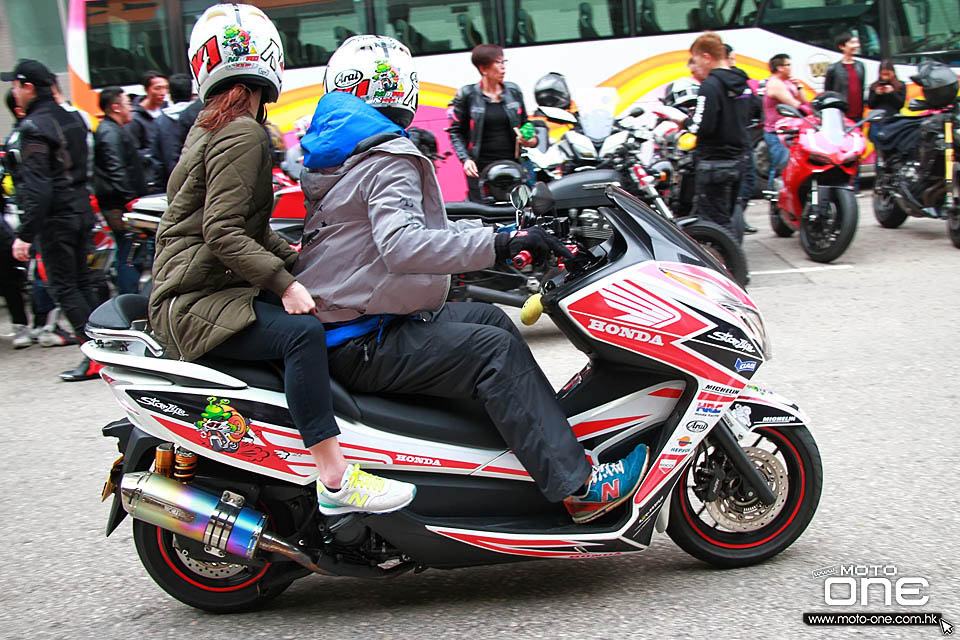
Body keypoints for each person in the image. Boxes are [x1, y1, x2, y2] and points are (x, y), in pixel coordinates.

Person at [296, 34, 650, 524]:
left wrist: (505, 232)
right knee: (494, 351)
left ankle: (527, 450)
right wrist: (501, 244)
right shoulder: (386, 155)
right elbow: (404, 245)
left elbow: (416, 232)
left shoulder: (340, 151)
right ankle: (580, 487)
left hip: (355, 321)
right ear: (396, 86)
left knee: (489, 318)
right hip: (363, 336)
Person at [148, 4, 414, 516]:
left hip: (193, 288)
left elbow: (246, 228)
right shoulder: (244, 131)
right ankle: (335, 478)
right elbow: (222, 232)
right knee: (303, 333)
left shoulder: (211, 125)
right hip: (196, 299)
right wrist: (288, 284)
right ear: (269, 58)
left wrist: (294, 259)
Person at [2, 59, 101, 380]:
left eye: (15, 86)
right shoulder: (73, 118)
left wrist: (26, 234)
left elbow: (38, 187)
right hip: (81, 210)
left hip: (57, 219)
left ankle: (95, 354)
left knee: (65, 287)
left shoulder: (32, 127)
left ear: (27, 86)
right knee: (82, 282)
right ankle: (105, 349)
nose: (14, 93)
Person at [677, 33, 751, 244]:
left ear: (707, 57)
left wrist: (684, 122)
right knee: (726, 216)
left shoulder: (710, 85)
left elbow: (702, 126)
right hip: (738, 159)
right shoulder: (743, 84)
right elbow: (752, 114)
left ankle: (731, 270)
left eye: (697, 59)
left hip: (714, 162)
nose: (696, 65)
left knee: (714, 224)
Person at [448, 43, 538, 202]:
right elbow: (455, 131)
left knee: (518, 210)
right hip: (480, 168)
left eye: (504, 62)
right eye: (498, 63)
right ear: (483, 69)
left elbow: (525, 124)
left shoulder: (513, 91)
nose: (503, 68)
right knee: (483, 214)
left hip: (513, 166)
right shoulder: (467, 95)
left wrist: (531, 140)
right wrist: (466, 159)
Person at [94, 87, 146, 294]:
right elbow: (117, 170)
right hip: (120, 205)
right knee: (129, 253)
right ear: (115, 107)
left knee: (129, 252)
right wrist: (131, 201)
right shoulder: (110, 132)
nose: (131, 109)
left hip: (120, 203)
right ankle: (128, 298)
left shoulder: (111, 130)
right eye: (127, 104)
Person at [725, 43, 759, 234]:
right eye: (732, 58)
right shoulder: (718, 83)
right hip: (737, 140)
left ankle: (737, 218)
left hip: (740, 139)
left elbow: (755, 105)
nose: (734, 62)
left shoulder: (738, 80)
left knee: (747, 180)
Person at [762, 53, 806, 192]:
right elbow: (794, 104)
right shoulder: (775, 84)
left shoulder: (787, 81)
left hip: (790, 130)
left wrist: (798, 86)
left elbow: (803, 100)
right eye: (788, 65)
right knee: (780, 165)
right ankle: (775, 195)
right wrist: (810, 111)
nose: (790, 68)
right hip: (777, 132)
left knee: (791, 165)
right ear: (780, 68)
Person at [150, 73, 202, 189]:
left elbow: (156, 159)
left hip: (170, 184)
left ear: (170, 94)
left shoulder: (160, 121)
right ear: (191, 93)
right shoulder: (202, 115)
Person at [127, 71, 169, 193]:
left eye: (166, 88)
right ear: (147, 90)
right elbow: (134, 151)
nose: (163, 92)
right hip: (150, 178)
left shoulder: (166, 111)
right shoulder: (135, 118)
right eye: (158, 88)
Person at [824, 31, 866, 122]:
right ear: (842, 46)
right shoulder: (833, 68)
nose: (856, 46)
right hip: (841, 114)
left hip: (858, 113)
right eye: (852, 43)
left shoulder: (860, 66)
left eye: (856, 43)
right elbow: (828, 93)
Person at [867, 59, 906, 127]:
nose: (885, 77)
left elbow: (901, 104)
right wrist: (877, 94)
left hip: (893, 119)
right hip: (878, 120)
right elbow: (871, 105)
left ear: (893, 73)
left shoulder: (900, 85)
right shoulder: (874, 86)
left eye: (888, 74)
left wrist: (892, 93)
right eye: (883, 74)